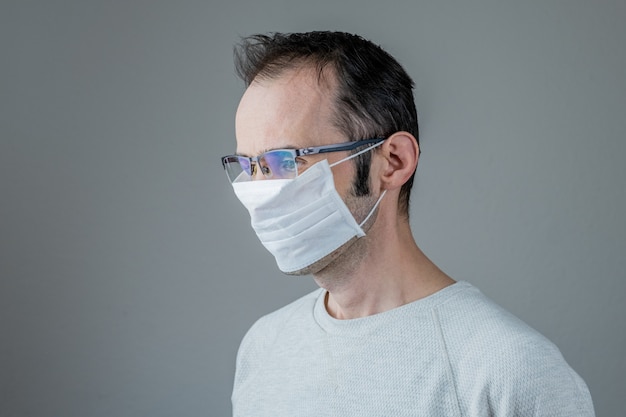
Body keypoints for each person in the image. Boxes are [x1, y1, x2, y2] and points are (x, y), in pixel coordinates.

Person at [222, 31, 594, 416]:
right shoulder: (264, 348)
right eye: (249, 166)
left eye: (287, 160)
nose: (260, 191)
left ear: (394, 161)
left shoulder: (510, 371)